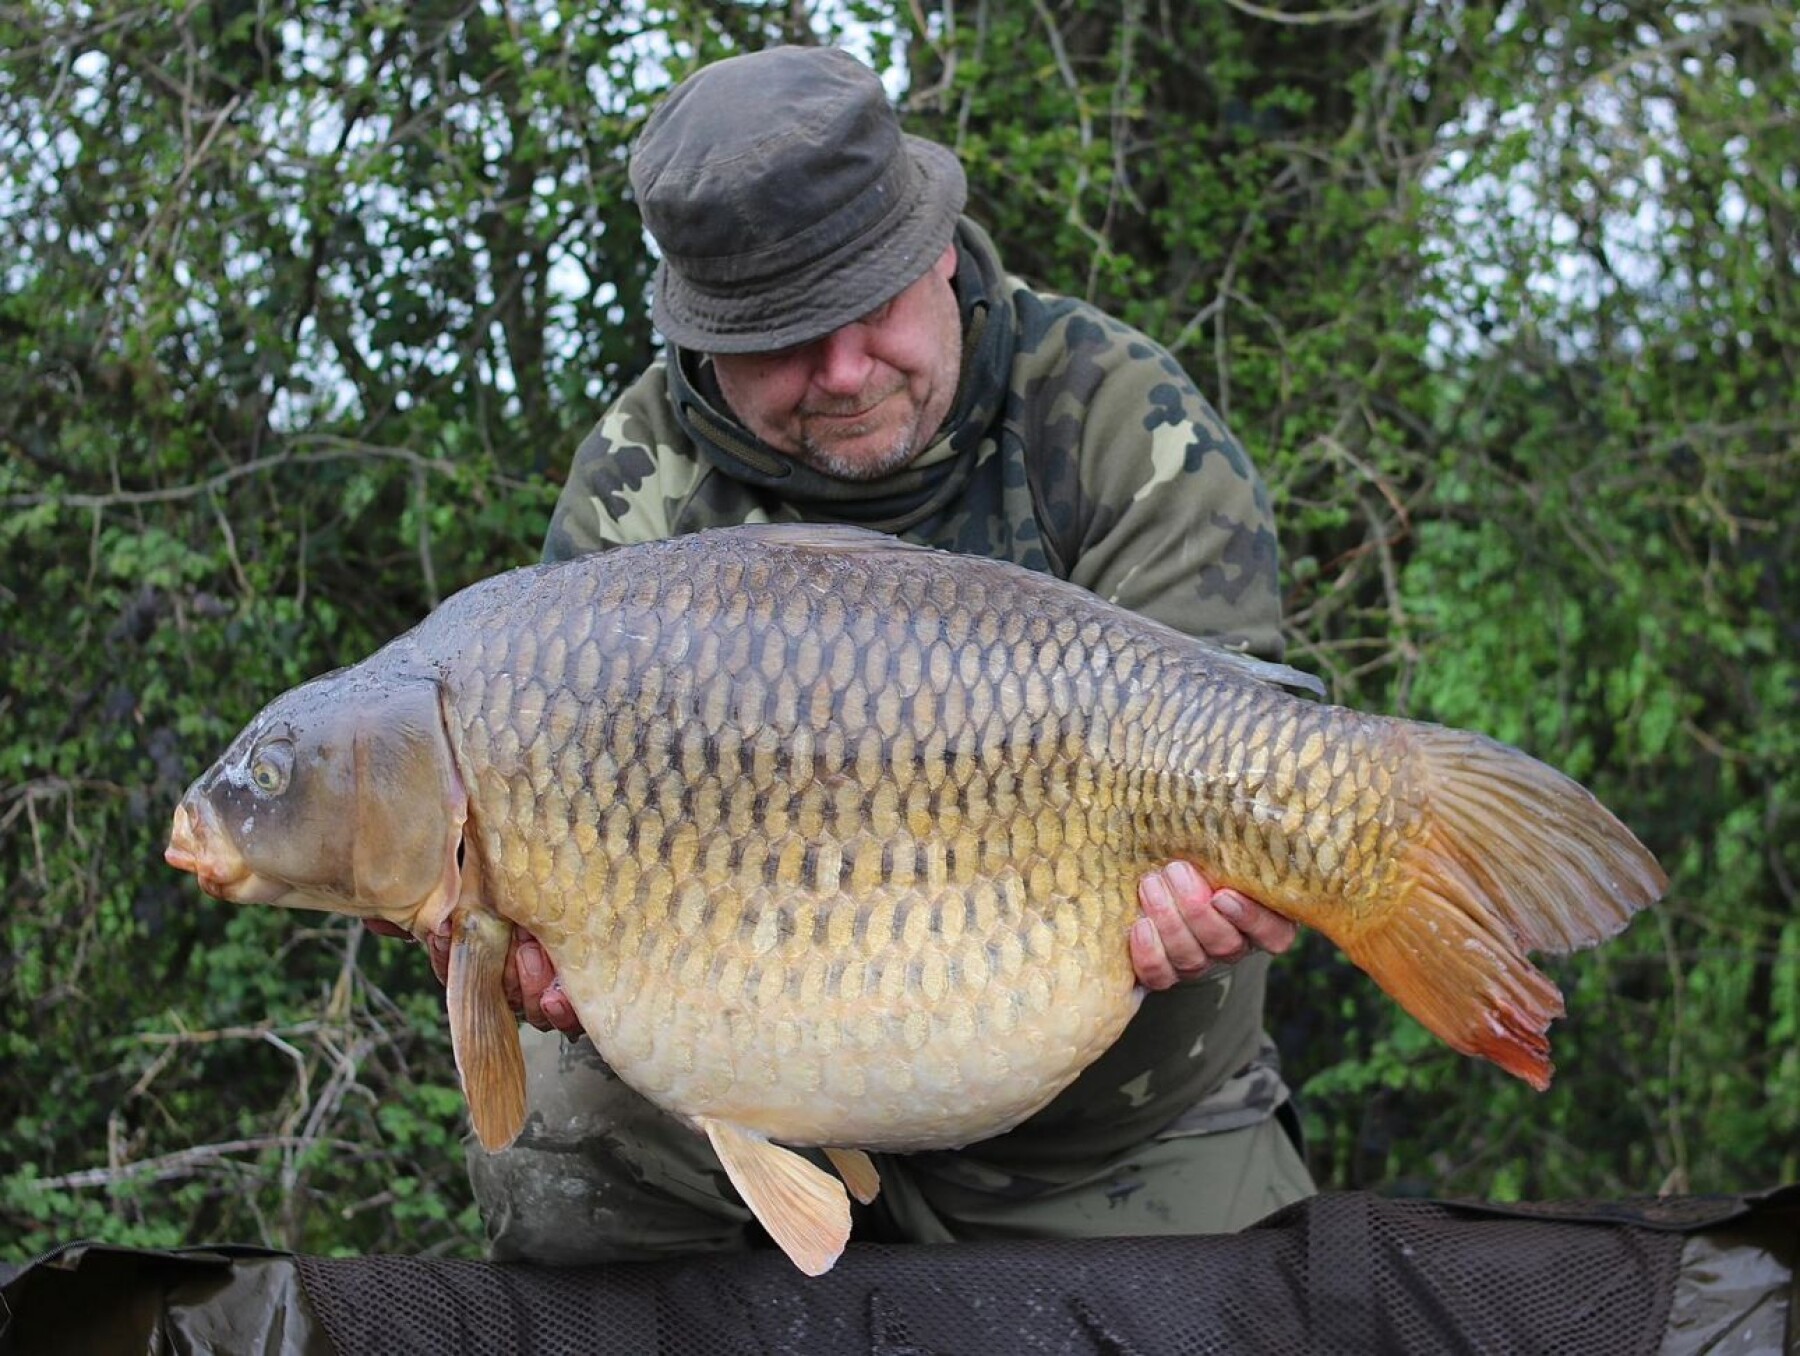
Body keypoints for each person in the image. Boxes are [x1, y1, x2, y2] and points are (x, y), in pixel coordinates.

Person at [384, 43, 1315, 1263]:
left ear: (938, 249)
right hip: (737, 1088)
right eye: (783, 338)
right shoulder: (639, 484)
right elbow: (535, 865)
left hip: (1106, 1127)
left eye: (870, 305)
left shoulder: (1121, 424)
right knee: (553, 1166)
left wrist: (1229, 885)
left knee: (1230, 1310)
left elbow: (1250, 760)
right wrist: (534, 948)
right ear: (703, 332)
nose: (842, 372)